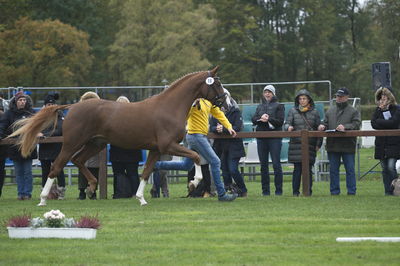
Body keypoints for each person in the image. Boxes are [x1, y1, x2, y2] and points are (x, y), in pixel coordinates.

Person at [153, 97, 238, 201]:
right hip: (196, 136)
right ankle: (222, 195)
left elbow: (218, 113)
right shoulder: (193, 101)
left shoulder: (208, 101)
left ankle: (155, 165)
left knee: (186, 166)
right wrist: (192, 105)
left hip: (198, 136)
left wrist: (229, 127)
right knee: (215, 162)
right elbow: (185, 116)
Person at [318, 87, 361, 195]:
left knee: (350, 170)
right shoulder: (330, 110)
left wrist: (345, 127)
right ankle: (334, 191)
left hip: (348, 145)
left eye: (341, 96)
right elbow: (326, 122)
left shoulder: (353, 111)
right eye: (337, 96)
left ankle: (351, 191)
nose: (338, 98)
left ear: (347, 97)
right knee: (333, 171)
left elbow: (356, 124)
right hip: (333, 144)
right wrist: (322, 126)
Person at [0, 91, 37, 200]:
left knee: (27, 172)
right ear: (16, 101)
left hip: (28, 147)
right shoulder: (9, 114)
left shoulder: (31, 113)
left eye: (24, 100)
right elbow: (3, 125)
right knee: (19, 172)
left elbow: (37, 126)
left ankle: (27, 193)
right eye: (20, 100)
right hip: (14, 147)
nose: (22, 102)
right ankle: (20, 193)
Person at [285, 89, 322, 196]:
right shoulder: (292, 111)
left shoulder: (315, 112)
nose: (302, 101)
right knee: (297, 170)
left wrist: (318, 144)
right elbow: (286, 124)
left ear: (309, 100)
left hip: (310, 145)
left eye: (304, 98)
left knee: (308, 170)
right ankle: (295, 192)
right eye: (300, 99)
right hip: (296, 144)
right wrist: (288, 127)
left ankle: (308, 191)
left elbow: (319, 129)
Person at [210, 91, 247, 197]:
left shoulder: (235, 111)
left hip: (234, 145)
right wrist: (217, 129)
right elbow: (211, 127)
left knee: (233, 169)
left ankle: (243, 189)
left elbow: (237, 127)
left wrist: (224, 129)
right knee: (225, 170)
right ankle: (229, 189)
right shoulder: (215, 111)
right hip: (221, 146)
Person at [251, 85, 285, 196]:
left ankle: (278, 191)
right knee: (263, 166)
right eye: (265, 92)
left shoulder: (279, 106)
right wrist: (260, 119)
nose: (267, 94)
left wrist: (268, 118)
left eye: (269, 92)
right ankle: (265, 191)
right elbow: (253, 119)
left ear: (273, 93)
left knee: (276, 164)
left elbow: (280, 121)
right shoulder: (260, 106)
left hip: (275, 138)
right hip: (261, 138)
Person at [110, 96, 143, 199]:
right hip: (132, 152)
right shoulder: (135, 118)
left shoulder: (112, 119)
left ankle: (118, 193)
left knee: (117, 174)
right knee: (133, 174)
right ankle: (134, 193)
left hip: (117, 152)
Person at [371, 87, 400, 195]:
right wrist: (380, 113)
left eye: (385, 97)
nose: (383, 99)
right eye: (381, 97)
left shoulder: (397, 109)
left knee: (391, 167)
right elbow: (373, 123)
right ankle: (387, 191)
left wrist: (380, 121)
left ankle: (395, 189)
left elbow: (394, 122)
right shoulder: (377, 110)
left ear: (390, 98)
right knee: (384, 169)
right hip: (381, 143)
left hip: (394, 143)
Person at [38, 92, 66, 199]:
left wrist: (44, 134)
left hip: (57, 147)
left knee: (59, 170)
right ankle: (45, 192)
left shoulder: (60, 115)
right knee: (45, 171)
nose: (50, 107)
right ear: (45, 106)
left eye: (52, 104)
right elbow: (38, 129)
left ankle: (61, 192)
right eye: (48, 105)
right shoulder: (40, 117)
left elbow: (59, 129)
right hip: (44, 148)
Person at [77, 91, 101, 200]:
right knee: (81, 166)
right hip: (82, 143)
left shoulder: (99, 114)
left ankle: (93, 191)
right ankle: (81, 191)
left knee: (94, 167)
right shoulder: (80, 114)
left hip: (95, 144)